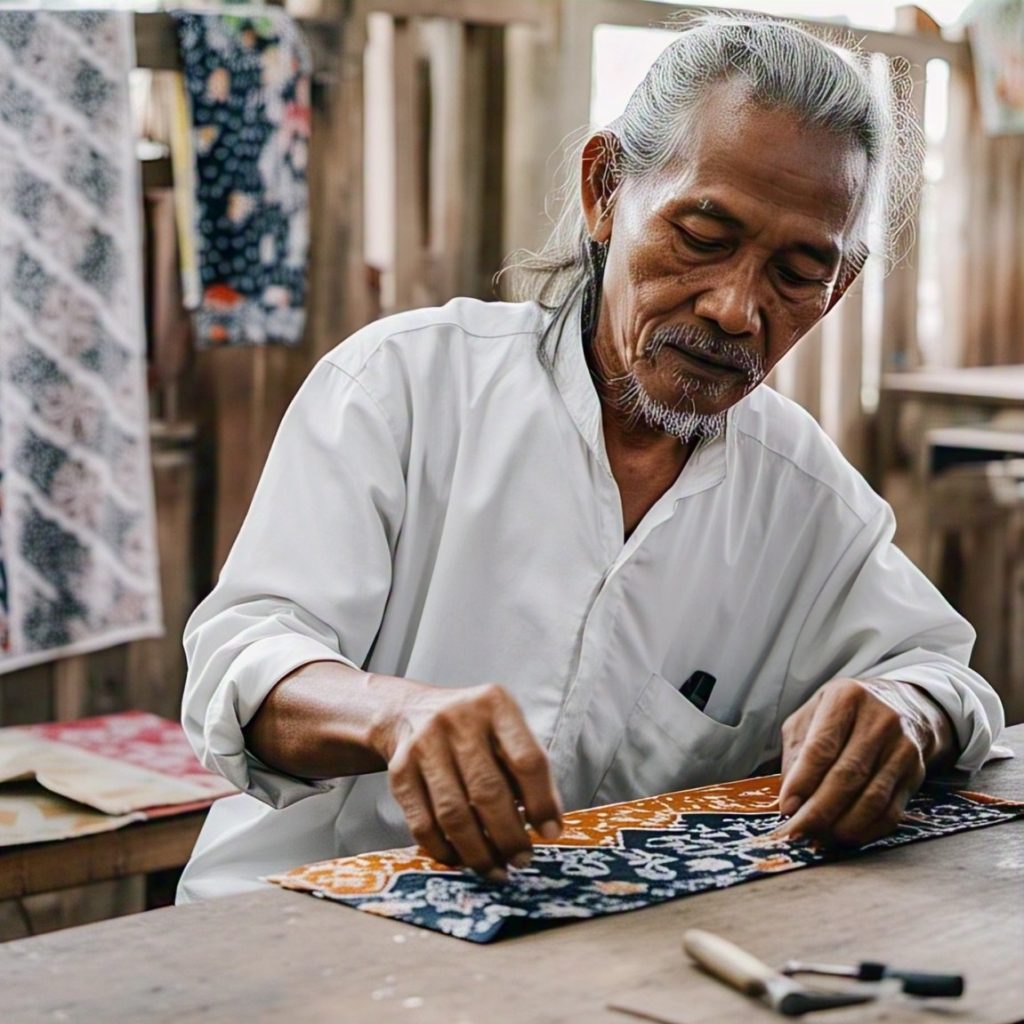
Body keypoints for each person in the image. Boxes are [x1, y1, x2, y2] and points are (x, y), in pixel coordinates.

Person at [176, 14, 1004, 903]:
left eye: (797, 272)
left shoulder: (807, 502)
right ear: (606, 190)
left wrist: (909, 713)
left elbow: (939, 671)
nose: (735, 308)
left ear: (837, 288)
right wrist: (394, 714)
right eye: (703, 234)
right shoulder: (405, 387)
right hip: (297, 928)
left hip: (578, 952)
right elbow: (245, 661)